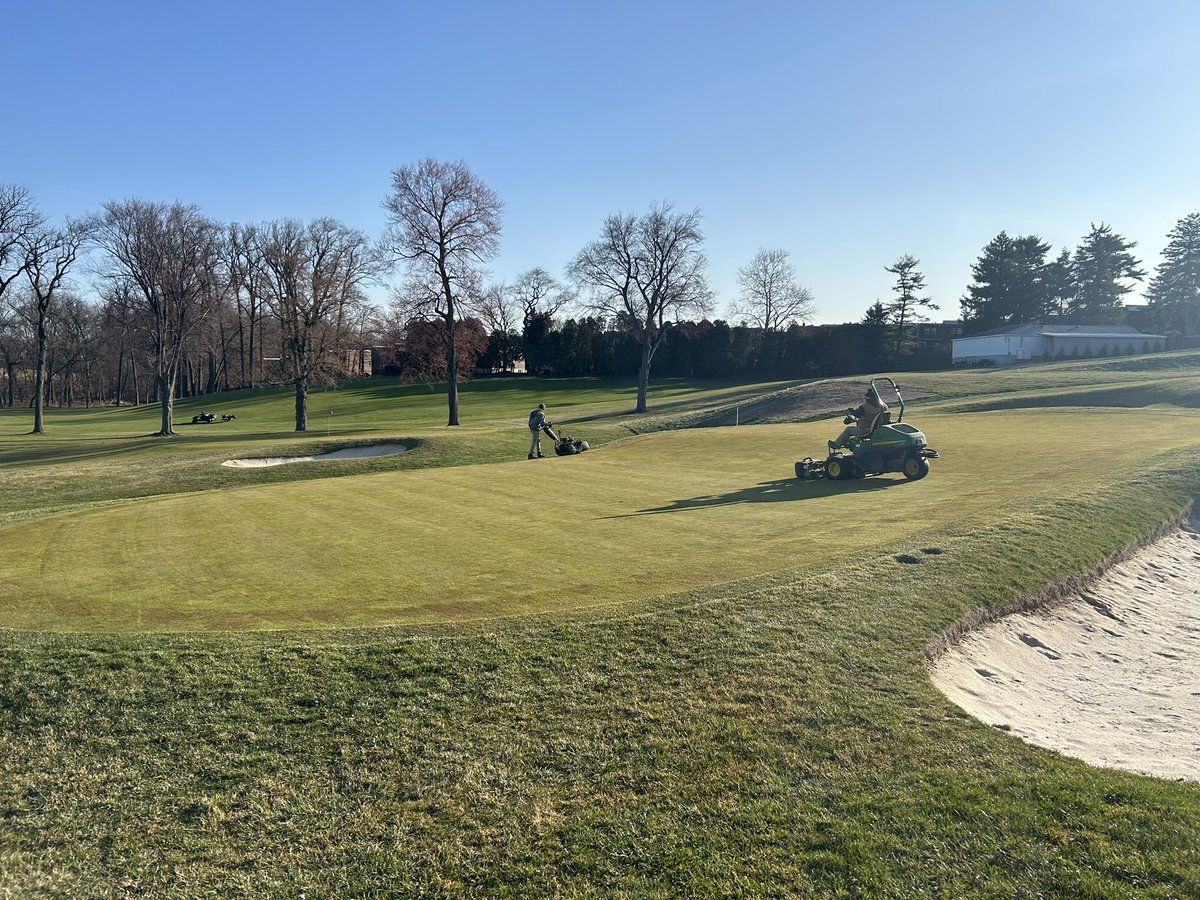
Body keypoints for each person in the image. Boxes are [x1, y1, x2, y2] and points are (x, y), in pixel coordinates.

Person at [829, 386, 888, 451]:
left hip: (865, 430)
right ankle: (850, 443)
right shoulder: (884, 406)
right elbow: (868, 417)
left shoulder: (864, 407)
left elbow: (857, 414)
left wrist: (851, 411)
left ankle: (837, 445)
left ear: (868, 398)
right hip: (878, 429)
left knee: (848, 430)